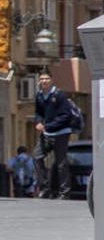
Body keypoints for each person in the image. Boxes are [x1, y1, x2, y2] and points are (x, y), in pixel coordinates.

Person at [33, 71, 73, 199]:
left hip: (61, 133)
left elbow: (66, 115)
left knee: (61, 163)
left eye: (47, 78)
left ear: (52, 80)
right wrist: (39, 122)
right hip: (46, 133)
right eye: (42, 79)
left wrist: (49, 126)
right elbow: (39, 113)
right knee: (36, 157)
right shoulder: (39, 95)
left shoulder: (59, 95)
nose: (44, 81)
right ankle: (44, 188)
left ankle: (64, 192)